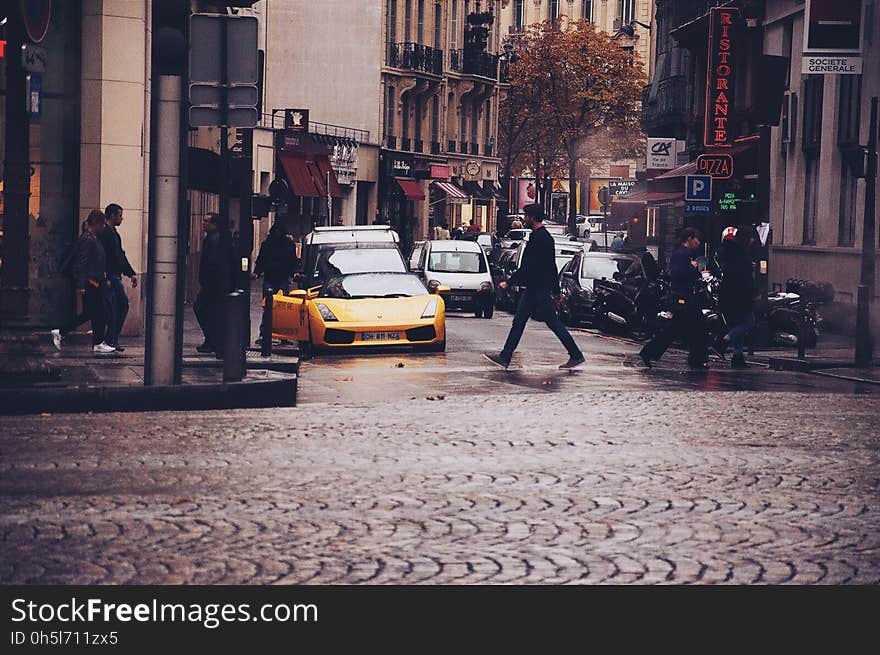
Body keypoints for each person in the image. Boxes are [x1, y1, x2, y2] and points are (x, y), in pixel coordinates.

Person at [484, 203, 585, 370]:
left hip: (536, 289)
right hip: (538, 288)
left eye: (526, 216)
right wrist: (556, 290)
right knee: (524, 321)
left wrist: (509, 282)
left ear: (532, 217)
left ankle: (575, 354)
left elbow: (529, 267)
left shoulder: (539, 239)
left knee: (545, 322)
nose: (524, 219)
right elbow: (551, 266)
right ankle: (505, 356)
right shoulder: (544, 237)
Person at [639, 227, 709, 369]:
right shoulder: (682, 254)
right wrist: (692, 268)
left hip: (684, 296)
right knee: (698, 326)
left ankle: (649, 352)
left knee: (676, 328)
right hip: (684, 297)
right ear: (689, 239)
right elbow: (678, 273)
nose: (699, 242)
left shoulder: (684, 253)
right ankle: (697, 359)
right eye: (697, 239)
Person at [52, 210, 116, 355]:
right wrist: (81, 285)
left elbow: (96, 261)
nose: (103, 227)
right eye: (102, 224)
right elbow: (82, 262)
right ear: (97, 223)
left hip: (95, 280)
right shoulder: (87, 239)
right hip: (90, 282)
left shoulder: (93, 238)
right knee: (99, 313)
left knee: (89, 313)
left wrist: (103, 277)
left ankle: (61, 332)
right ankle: (98, 343)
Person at [194, 212, 235, 356]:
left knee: (203, 309)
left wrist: (207, 281)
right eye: (203, 221)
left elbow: (212, 263)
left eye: (207, 222)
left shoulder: (215, 239)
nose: (203, 224)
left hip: (213, 285)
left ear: (214, 224)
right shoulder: (214, 238)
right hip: (213, 284)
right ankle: (211, 340)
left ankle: (213, 341)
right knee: (207, 311)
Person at [99, 203, 138, 352]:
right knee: (118, 306)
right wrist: (105, 276)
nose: (122, 218)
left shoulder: (114, 233)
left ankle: (112, 339)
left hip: (115, 275)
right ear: (112, 215)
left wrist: (131, 272)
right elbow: (103, 257)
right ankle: (110, 339)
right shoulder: (105, 234)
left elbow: (120, 255)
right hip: (110, 276)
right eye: (120, 215)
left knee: (117, 306)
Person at [252, 222, 300, 344]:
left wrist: (257, 272)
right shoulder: (287, 244)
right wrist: (294, 273)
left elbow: (261, 261)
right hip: (280, 278)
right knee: (280, 308)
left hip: (273, 278)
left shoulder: (268, 244)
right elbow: (293, 261)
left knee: (269, 307)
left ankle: (266, 334)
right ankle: (280, 336)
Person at [717, 226, 756, 369]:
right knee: (749, 322)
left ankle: (737, 357)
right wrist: (752, 293)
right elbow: (745, 280)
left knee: (735, 324)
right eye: (751, 238)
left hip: (727, 296)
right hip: (740, 297)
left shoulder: (726, 253)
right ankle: (723, 341)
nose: (752, 241)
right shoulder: (741, 256)